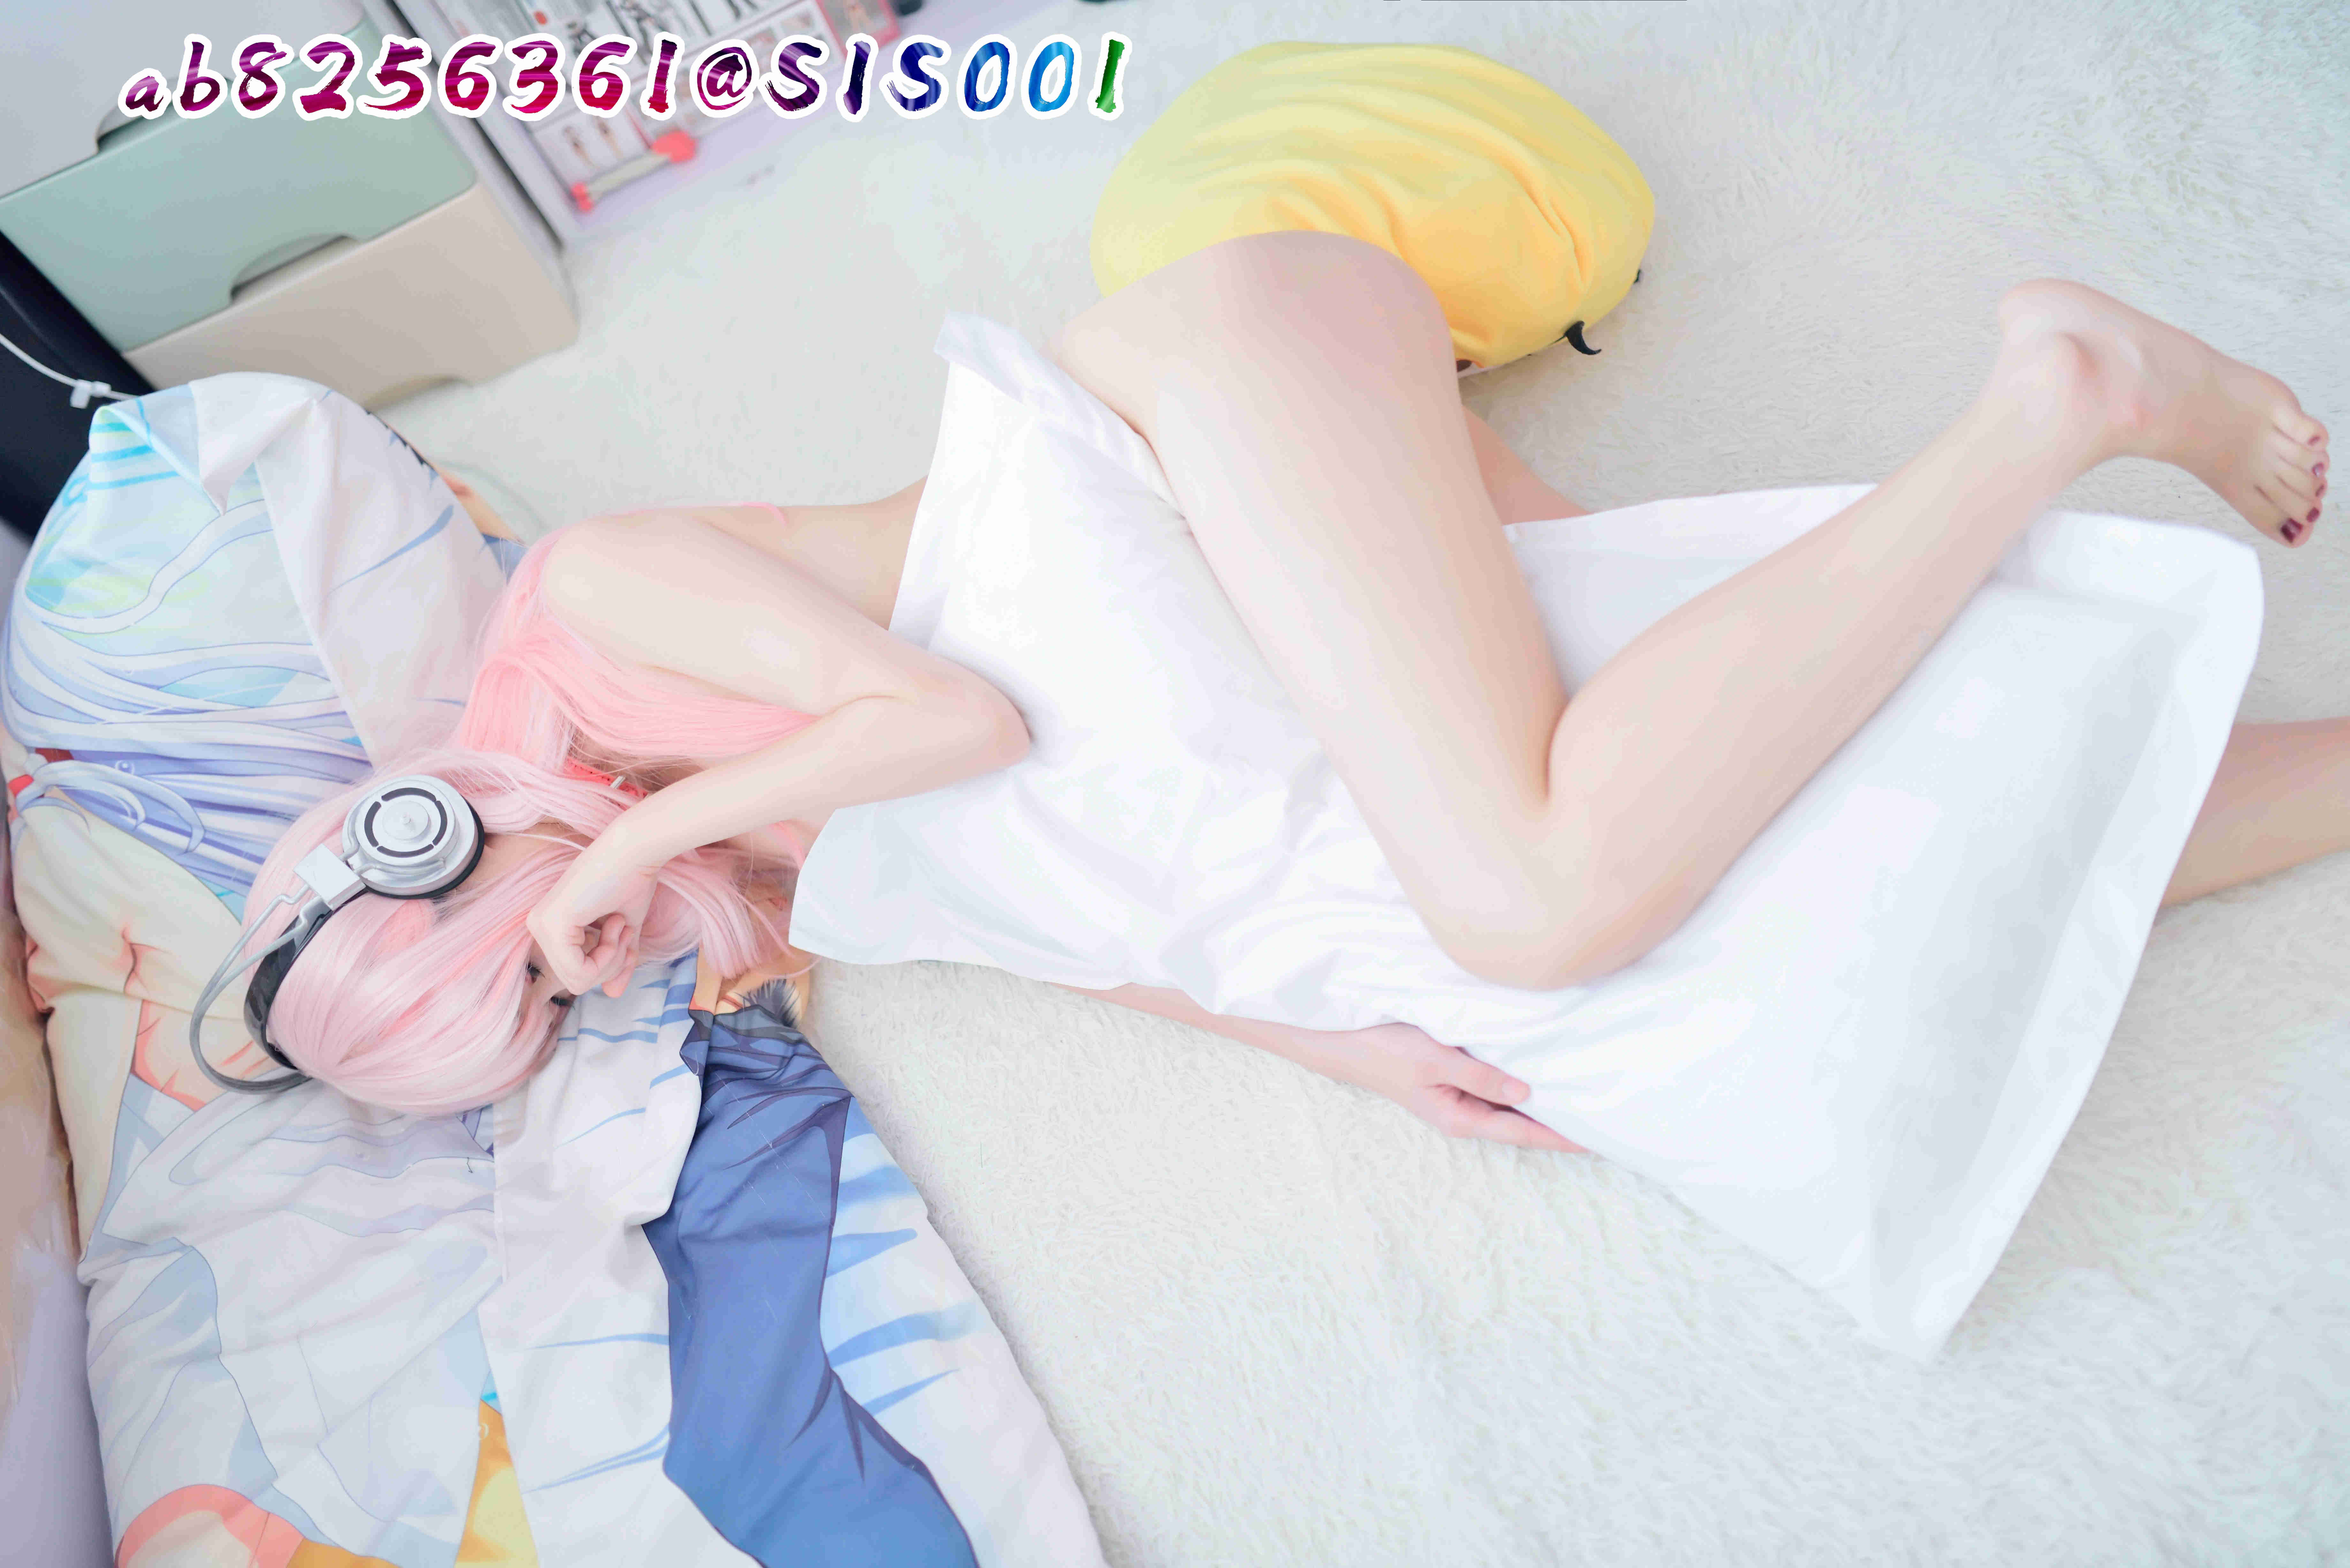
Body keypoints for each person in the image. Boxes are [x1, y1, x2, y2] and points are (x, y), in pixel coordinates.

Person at [242, 234, 2328, 1145]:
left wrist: (638, 845)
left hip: (1220, 393)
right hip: (1272, 586)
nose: (578, 980)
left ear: (430, 844)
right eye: (539, 1029)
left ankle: (2061, 396)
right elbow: (1050, 910)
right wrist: (1327, 1051)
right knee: (1827, 881)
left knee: (1532, 904)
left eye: (515, 969)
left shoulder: (599, 604)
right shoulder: (713, 875)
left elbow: (956, 727)